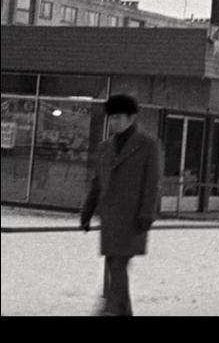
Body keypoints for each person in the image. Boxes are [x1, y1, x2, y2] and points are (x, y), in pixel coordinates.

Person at [80, 94, 162, 315]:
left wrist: (147, 213)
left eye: (118, 118)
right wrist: (87, 211)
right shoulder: (105, 147)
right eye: (111, 118)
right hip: (110, 217)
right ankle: (119, 310)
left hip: (133, 218)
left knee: (117, 265)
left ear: (131, 118)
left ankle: (110, 308)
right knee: (114, 264)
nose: (113, 122)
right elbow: (97, 182)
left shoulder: (147, 145)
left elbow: (152, 183)